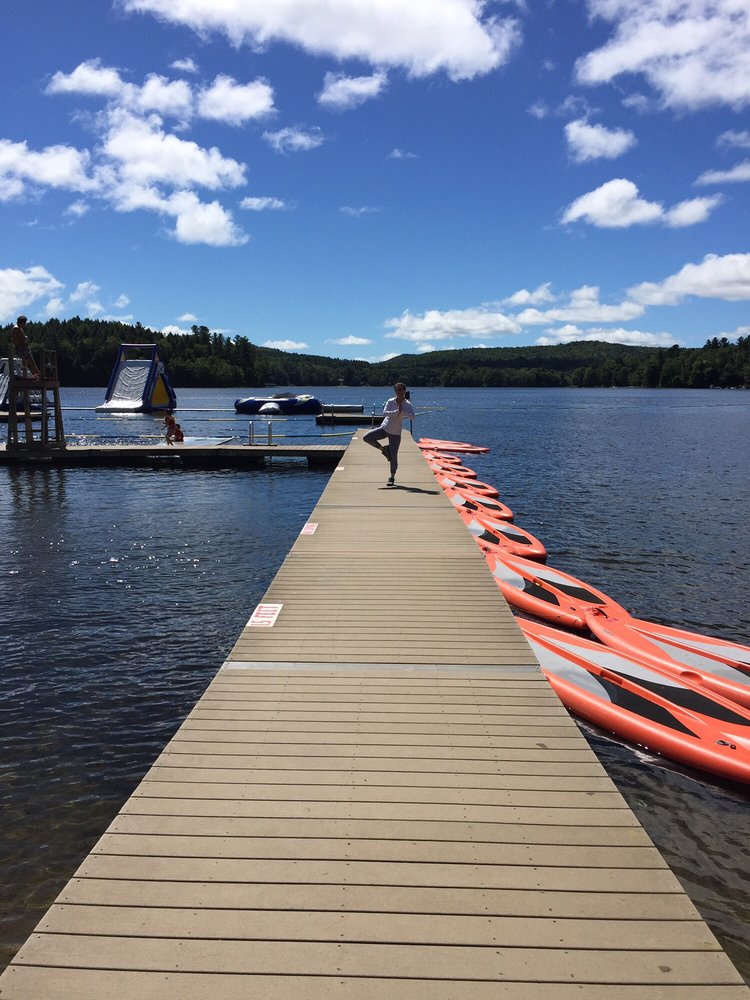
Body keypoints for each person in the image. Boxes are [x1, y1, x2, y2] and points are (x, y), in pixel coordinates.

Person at [363, 382, 415, 486]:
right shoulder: (390, 401)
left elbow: (412, 417)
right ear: (395, 391)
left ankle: (392, 477)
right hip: (385, 428)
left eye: (401, 389)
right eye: (397, 389)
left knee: (394, 456)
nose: (399, 391)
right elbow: (385, 413)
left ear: (404, 391)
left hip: (396, 432)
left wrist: (404, 412)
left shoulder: (407, 404)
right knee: (367, 437)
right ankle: (384, 450)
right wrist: (396, 412)